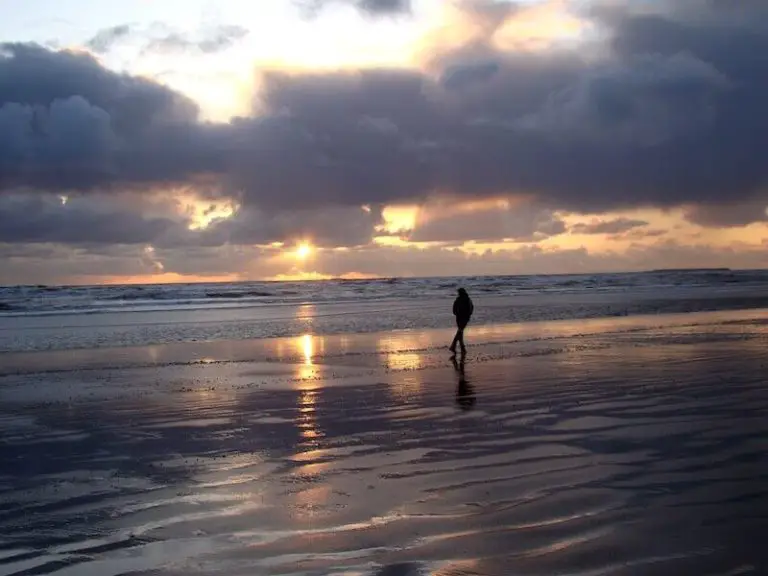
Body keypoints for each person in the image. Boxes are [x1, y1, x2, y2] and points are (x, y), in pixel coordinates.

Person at [449, 287, 473, 356]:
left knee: (460, 331)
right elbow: (471, 308)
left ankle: (456, 346)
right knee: (460, 332)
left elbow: (454, 310)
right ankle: (458, 347)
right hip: (465, 318)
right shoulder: (468, 299)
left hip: (459, 318)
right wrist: (468, 315)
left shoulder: (458, 300)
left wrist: (457, 314)